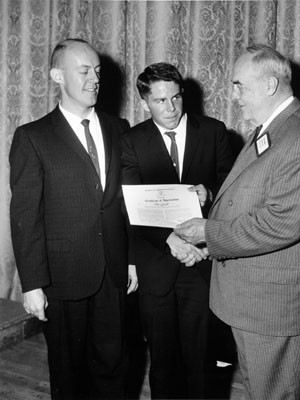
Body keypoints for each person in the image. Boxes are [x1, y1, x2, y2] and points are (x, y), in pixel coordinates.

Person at [174, 44, 300, 400]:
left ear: (270, 85)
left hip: (276, 310)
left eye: (240, 85)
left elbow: (282, 223)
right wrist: (208, 236)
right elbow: (252, 196)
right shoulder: (272, 129)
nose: (234, 95)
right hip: (256, 303)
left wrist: (208, 232)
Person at [9, 38, 138, 400]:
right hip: (61, 277)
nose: (94, 79)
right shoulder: (32, 137)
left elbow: (125, 202)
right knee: (68, 373)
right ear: (57, 76)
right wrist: (32, 284)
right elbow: (24, 216)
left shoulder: (119, 128)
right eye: (83, 71)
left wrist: (130, 259)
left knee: (115, 365)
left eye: (98, 71)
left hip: (112, 273)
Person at [121, 62, 234, 399]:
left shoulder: (214, 131)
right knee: (163, 361)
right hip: (157, 265)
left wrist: (210, 193)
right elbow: (129, 204)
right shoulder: (131, 140)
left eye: (176, 98)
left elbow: (234, 185)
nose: (170, 108)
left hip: (201, 263)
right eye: (160, 101)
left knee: (201, 359)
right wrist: (169, 241)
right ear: (144, 103)